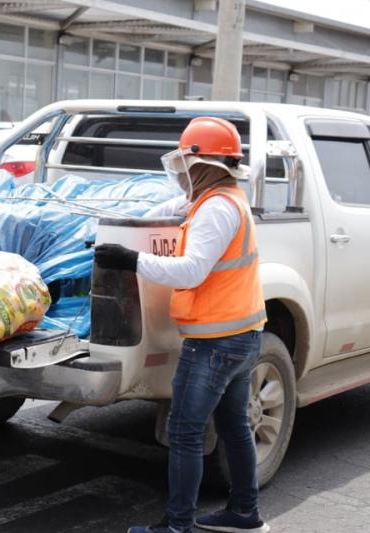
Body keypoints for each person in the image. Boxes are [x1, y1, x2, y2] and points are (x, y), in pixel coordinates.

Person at [94, 117, 270, 533]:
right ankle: (245, 513)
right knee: (233, 426)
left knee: (185, 432)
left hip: (214, 342)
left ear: (201, 164)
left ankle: (177, 526)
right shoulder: (220, 198)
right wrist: (126, 226)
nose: (180, 174)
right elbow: (168, 211)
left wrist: (131, 259)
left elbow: (191, 271)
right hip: (241, 335)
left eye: (185, 165)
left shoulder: (215, 210)